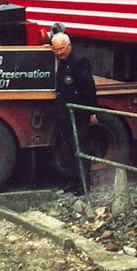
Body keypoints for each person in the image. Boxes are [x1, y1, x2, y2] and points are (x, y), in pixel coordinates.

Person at [51, 31, 96, 194]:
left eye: (61, 49)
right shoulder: (60, 61)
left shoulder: (80, 62)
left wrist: (91, 111)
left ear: (69, 46)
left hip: (78, 114)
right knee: (67, 150)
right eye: (55, 50)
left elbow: (88, 88)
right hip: (64, 114)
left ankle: (83, 185)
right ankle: (72, 181)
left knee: (80, 148)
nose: (59, 53)